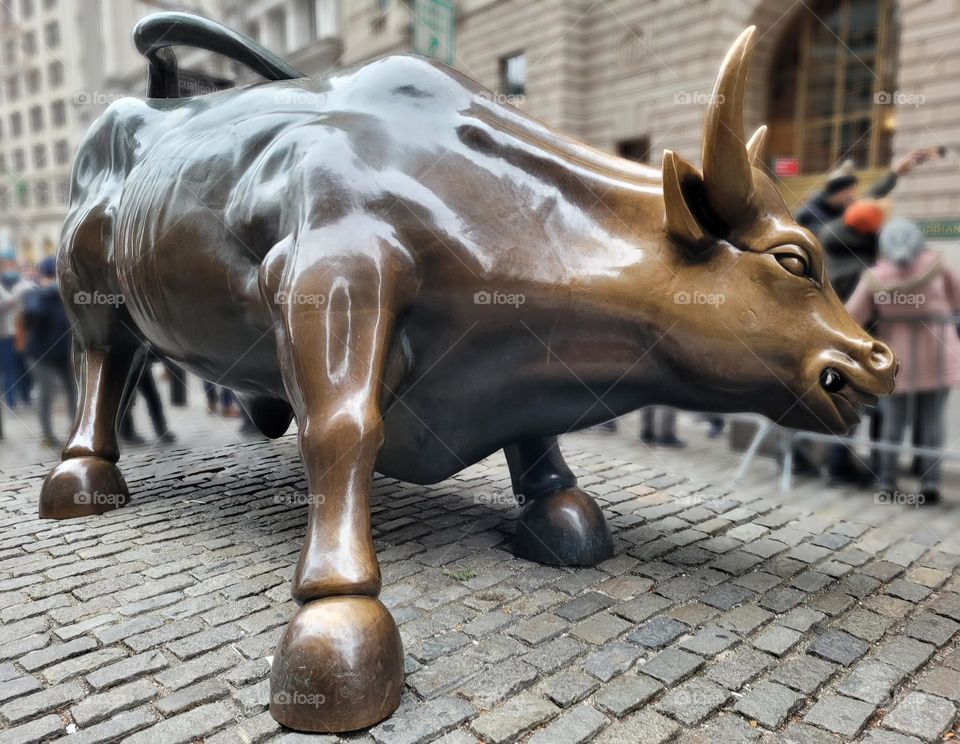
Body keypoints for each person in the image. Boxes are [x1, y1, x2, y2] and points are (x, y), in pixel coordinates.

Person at [846, 218, 960, 504]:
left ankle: (886, 482)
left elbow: (852, 316)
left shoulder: (876, 275)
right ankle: (930, 484)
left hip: (897, 362)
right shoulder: (937, 265)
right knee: (932, 422)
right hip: (938, 357)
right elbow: (958, 300)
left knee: (893, 423)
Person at [819, 200, 888, 486]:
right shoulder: (861, 264)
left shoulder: (832, 243)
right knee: (870, 405)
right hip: (861, 342)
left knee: (845, 403)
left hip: (835, 341)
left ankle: (837, 464)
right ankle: (857, 466)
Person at [795, 151, 930, 236]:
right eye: (849, 193)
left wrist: (895, 173)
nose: (853, 198)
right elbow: (834, 234)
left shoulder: (841, 207)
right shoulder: (808, 214)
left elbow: (869, 196)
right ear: (838, 192)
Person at [21, 257, 76, 448]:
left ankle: (76, 431)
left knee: (73, 391)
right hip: (40, 354)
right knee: (46, 392)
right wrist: (49, 291)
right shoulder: (33, 293)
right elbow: (34, 312)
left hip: (64, 352)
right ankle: (47, 435)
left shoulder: (67, 293)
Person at [0, 257, 35, 408]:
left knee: (24, 367)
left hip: (22, 333)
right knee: (10, 369)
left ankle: (26, 396)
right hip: (5, 335)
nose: (9, 269)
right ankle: (11, 400)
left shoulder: (24, 286)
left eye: (11, 266)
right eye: (6, 267)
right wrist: (10, 300)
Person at [119, 352, 175, 444]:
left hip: (139, 361)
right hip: (130, 361)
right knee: (129, 399)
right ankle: (127, 433)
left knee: (151, 397)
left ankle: (161, 430)